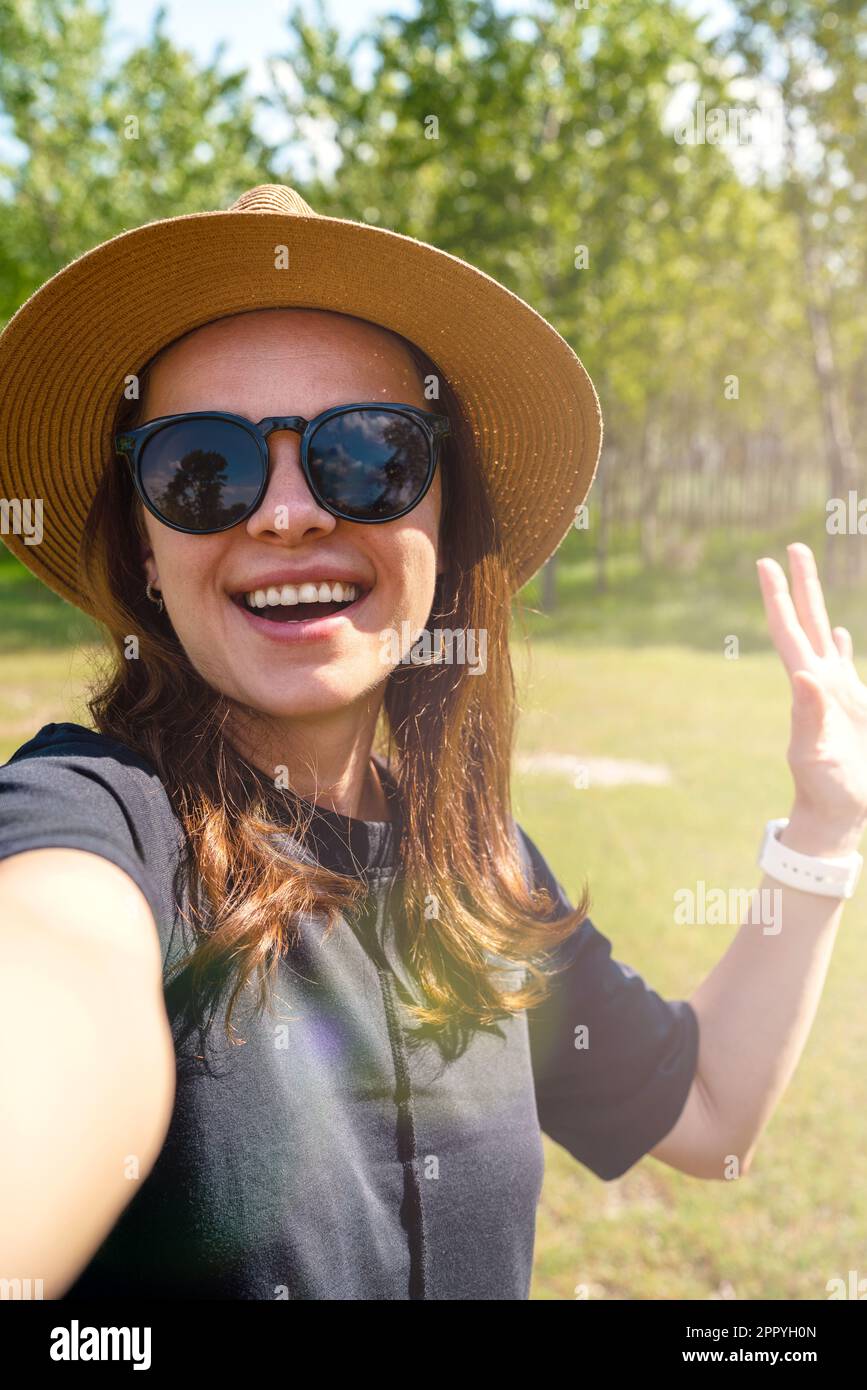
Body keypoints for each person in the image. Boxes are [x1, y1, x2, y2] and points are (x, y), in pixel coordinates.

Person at [0, 185, 865, 1302]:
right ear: (147, 548)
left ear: (446, 522)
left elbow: (707, 1115)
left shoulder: (475, 865)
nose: (286, 512)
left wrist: (827, 826)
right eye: (200, 465)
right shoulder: (87, 823)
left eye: (367, 454)